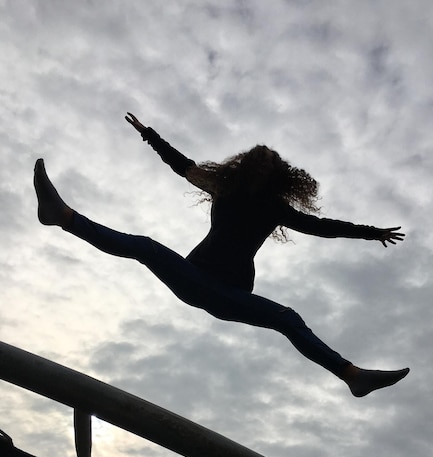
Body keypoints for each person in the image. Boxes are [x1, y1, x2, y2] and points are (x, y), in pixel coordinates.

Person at [33, 112, 409, 397]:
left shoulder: (275, 208)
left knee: (287, 318)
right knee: (145, 247)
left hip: (231, 295)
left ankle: (352, 376)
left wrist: (369, 233)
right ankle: (62, 217)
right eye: (255, 162)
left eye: (266, 166)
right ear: (245, 167)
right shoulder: (222, 186)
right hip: (193, 278)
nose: (258, 168)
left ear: (274, 175)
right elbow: (182, 166)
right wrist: (151, 137)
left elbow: (324, 227)